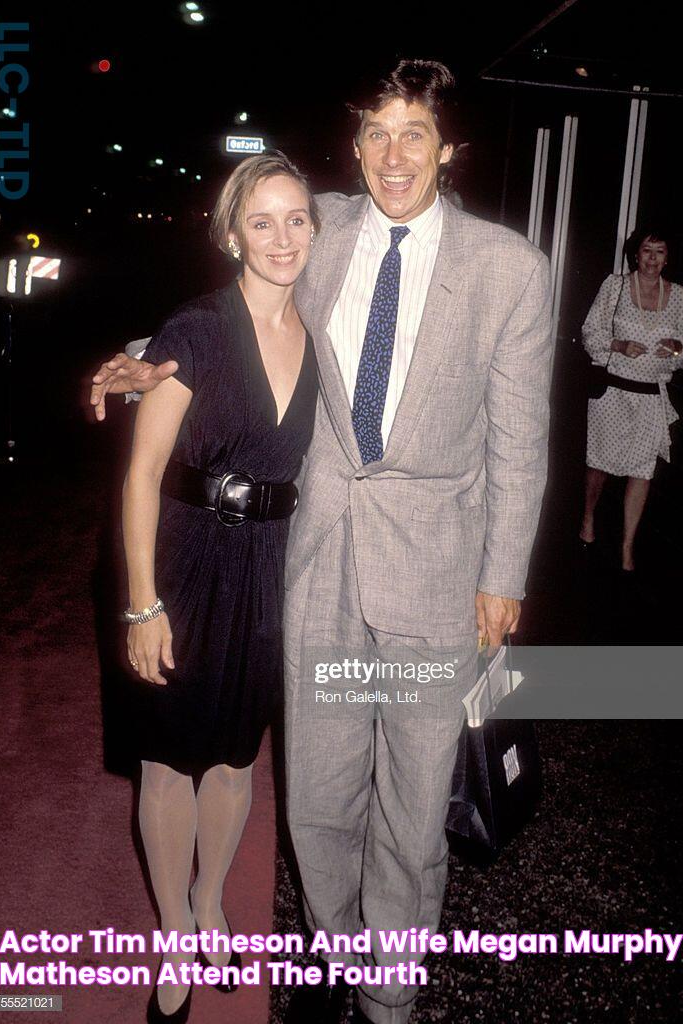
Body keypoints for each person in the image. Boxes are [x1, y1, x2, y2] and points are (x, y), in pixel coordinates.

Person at [90, 60, 552, 1024]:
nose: (393, 153)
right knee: (321, 795)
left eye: (413, 133)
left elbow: (520, 438)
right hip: (315, 563)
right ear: (355, 148)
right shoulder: (325, 225)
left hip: (437, 569)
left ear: (447, 149)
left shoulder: (508, 268)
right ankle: (335, 952)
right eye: (377, 133)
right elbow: (232, 295)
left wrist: (503, 575)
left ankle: (388, 983)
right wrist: (143, 359)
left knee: (412, 800)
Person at [121, 151, 318, 1023]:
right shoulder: (195, 329)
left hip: (272, 568)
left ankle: (209, 902)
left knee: (237, 759)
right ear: (231, 232)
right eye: (262, 221)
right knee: (167, 762)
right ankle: (171, 929)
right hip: (183, 561)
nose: (282, 238)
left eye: (296, 219)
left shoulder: (322, 336)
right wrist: (141, 602)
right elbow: (140, 476)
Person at [579, 226, 683, 570]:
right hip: (613, 392)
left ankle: (627, 546)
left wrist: (674, 349)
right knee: (599, 467)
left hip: (650, 398)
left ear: (667, 258)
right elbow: (590, 333)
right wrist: (618, 345)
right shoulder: (614, 286)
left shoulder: (679, 296)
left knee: (642, 472)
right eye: (647, 251)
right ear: (636, 254)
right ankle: (587, 517)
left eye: (660, 252)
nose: (652, 259)